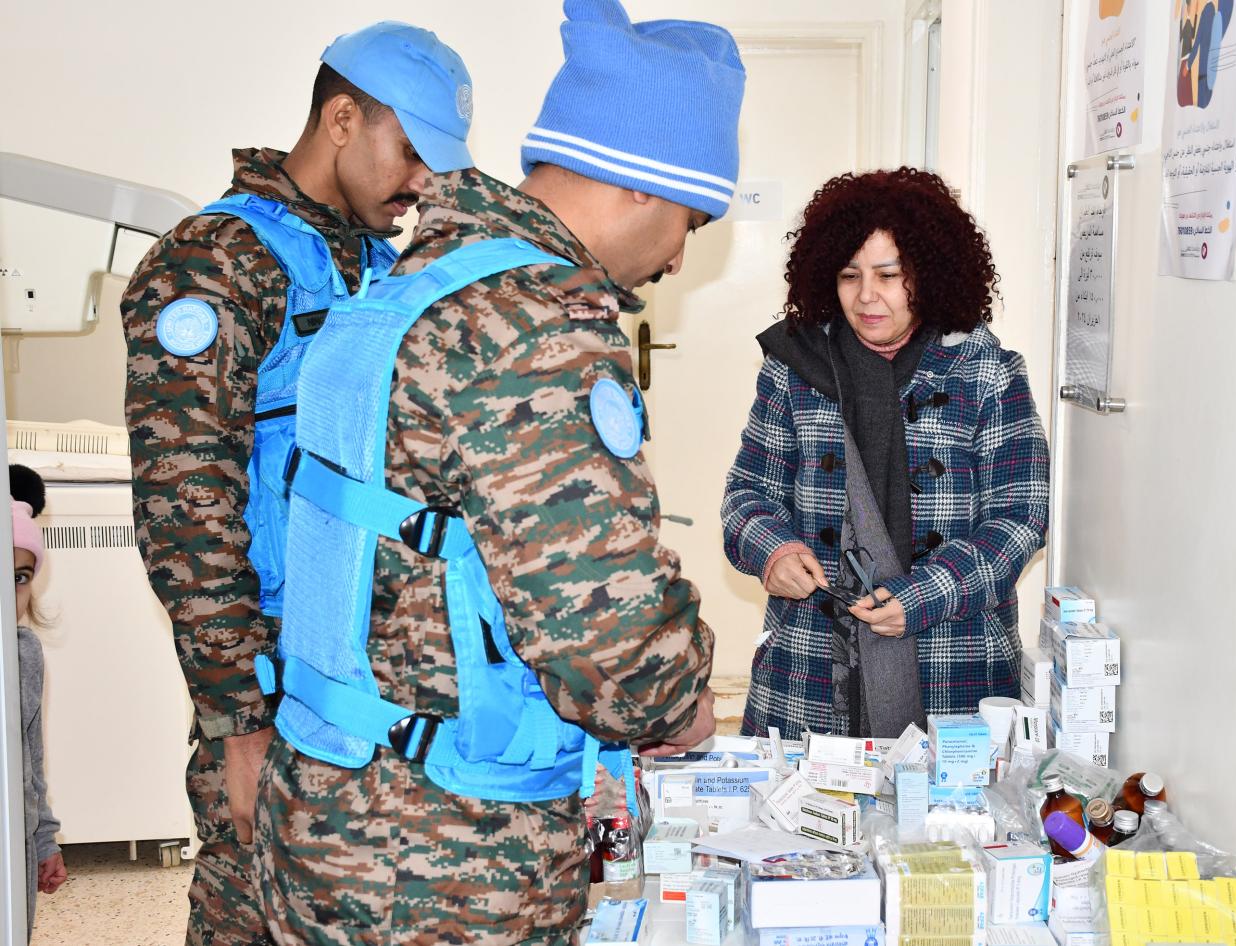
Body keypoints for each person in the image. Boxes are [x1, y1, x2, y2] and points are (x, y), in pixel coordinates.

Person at [253, 1, 743, 941]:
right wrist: (681, 705)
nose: (681, 256)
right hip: (440, 860)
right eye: (692, 218)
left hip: (325, 799)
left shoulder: (417, 277)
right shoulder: (534, 326)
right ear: (643, 184)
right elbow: (607, 631)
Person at [121, 22, 473, 946]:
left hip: (382, 687)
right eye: (411, 154)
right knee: (256, 915)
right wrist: (239, 724)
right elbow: (185, 509)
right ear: (342, 119)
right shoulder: (214, 262)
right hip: (274, 692)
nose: (422, 183)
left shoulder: (383, 270)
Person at [722, 167, 1050, 740]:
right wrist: (773, 551)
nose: (866, 296)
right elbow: (746, 494)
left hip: (952, 664)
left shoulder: (988, 373)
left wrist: (921, 595)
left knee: (943, 800)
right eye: (849, 275)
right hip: (808, 665)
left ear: (930, 274)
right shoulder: (792, 370)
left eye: (889, 275)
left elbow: (1021, 520)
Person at [10, 465, 66, 941]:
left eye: (20, 577)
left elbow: (32, 758)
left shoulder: (24, 653)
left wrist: (44, 838)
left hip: (18, 844)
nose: (9, 593)